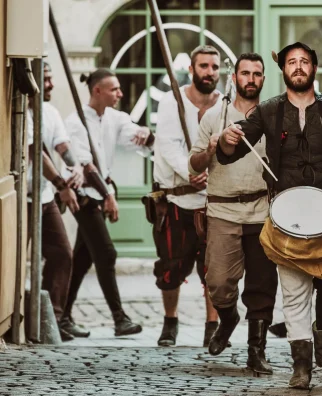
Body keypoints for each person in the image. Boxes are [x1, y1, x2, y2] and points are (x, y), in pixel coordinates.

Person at [216, 42, 322, 389]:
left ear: (314, 69)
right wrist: (228, 137)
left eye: (304, 62)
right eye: (292, 62)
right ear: (284, 70)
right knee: (292, 291)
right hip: (286, 217)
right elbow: (231, 150)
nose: (298, 67)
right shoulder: (268, 111)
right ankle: (301, 365)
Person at [188, 52, 278, 374]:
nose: (251, 79)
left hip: (262, 210)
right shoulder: (215, 115)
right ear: (235, 77)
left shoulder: (273, 116)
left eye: (257, 74)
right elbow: (193, 166)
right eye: (245, 73)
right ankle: (227, 318)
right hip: (223, 208)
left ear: (263, 79)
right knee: (218, 281)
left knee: (262, 283)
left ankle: (257, 351)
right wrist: (212, 147)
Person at [61, 68, 152, 338]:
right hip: (83, 195)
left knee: (81, 259)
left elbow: (135, 136)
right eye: (114, 89)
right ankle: (119, 318)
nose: (120, 94)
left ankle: (61, 315)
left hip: (101, 194)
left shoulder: (116, 118)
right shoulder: (75, 122)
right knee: (106, 253)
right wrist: (110, 195)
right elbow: (86, 165)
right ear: (97, 91)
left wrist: (146, 132)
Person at [152, 45, 222, 347]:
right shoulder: (172, 101)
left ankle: (213, 325)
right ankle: (170, 321)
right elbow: (167, 145)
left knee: (214, 270)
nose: (210, 72)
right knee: (170, 266)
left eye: (214, 67)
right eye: (204, 66)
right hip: (177, 201)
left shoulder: (225, 104)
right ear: (192, 70)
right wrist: (188, 173)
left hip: (214, 203)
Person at [26, 61, 84, 342]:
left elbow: (61, 145)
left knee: (62, 253)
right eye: (45, 80)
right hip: (23, 196)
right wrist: (62, 184)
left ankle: (55, 318)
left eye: (50, 79)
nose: (50, 85)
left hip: (44, 196)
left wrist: (76, 168)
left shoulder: (50, 111)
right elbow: (36, 152)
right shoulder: (21, 111)